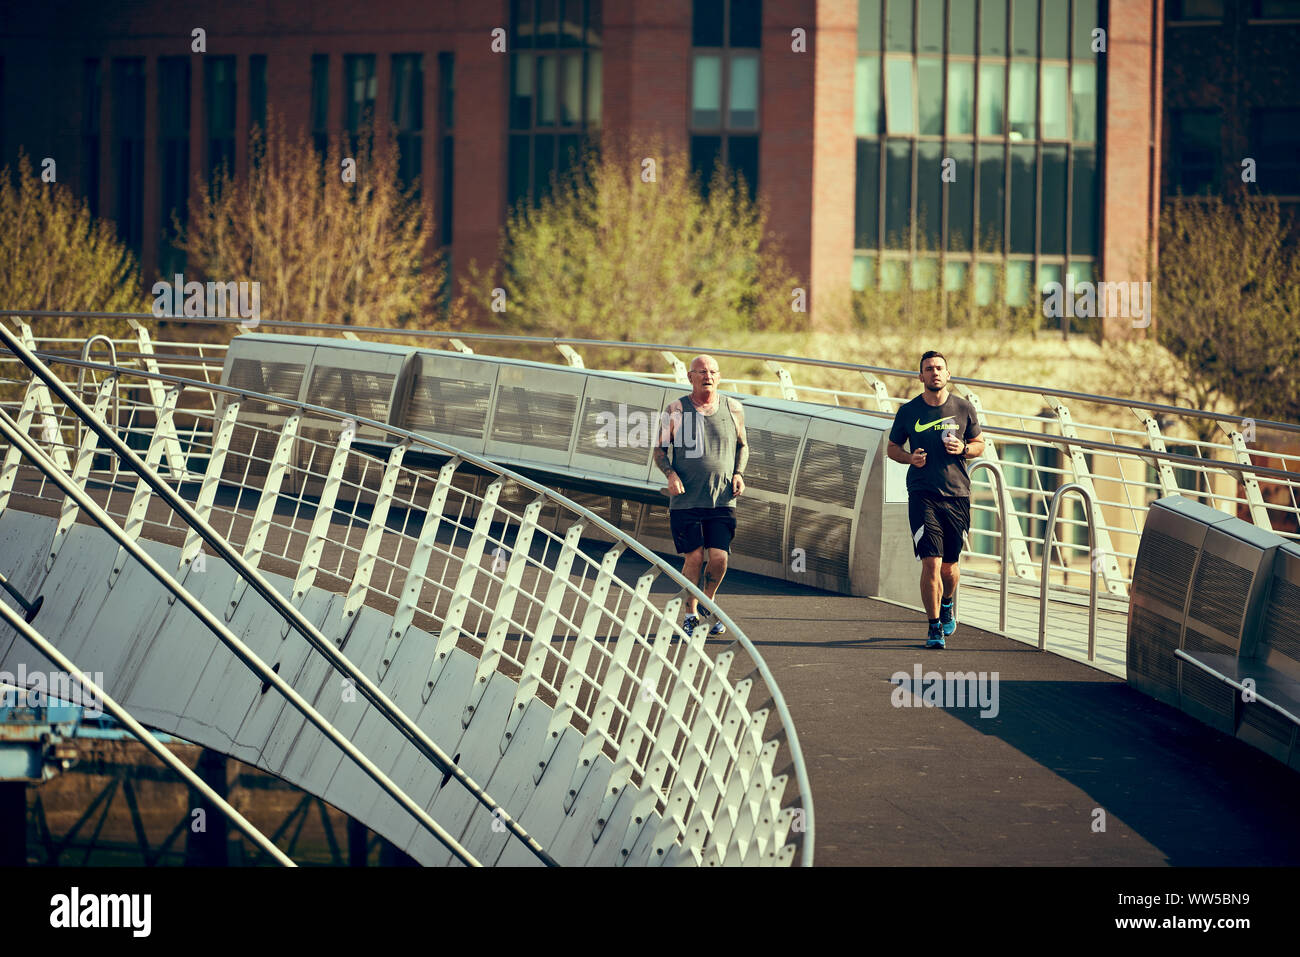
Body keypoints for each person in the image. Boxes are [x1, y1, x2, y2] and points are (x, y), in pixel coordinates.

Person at [886, 351, 985, 649]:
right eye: (929, 369)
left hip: (956, 495)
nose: (935, 373)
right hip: (922, 494)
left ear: (948, 374)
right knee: (931, 563)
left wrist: (964, 448)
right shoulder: (908, 411)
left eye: (939, 368)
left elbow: (981, 444)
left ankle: (947, 602)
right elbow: (892, 447)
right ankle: (933, 628)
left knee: (949, 568)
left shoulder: (964, 408)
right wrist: (909, 457)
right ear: (921, 376)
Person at [653, 354, 748, 638]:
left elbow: (743, 446)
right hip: (686, 501)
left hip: (721, 499)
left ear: (719, 377)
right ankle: (691, 613)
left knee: (719, 558)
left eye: (713, 372)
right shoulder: (676, 410)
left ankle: (709, 601)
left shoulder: (733, 408)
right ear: (690, 377)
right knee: (694, 558)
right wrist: (670, 475)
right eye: (702, 371)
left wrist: (739, 473)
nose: (708, 376)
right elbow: (659, 450)